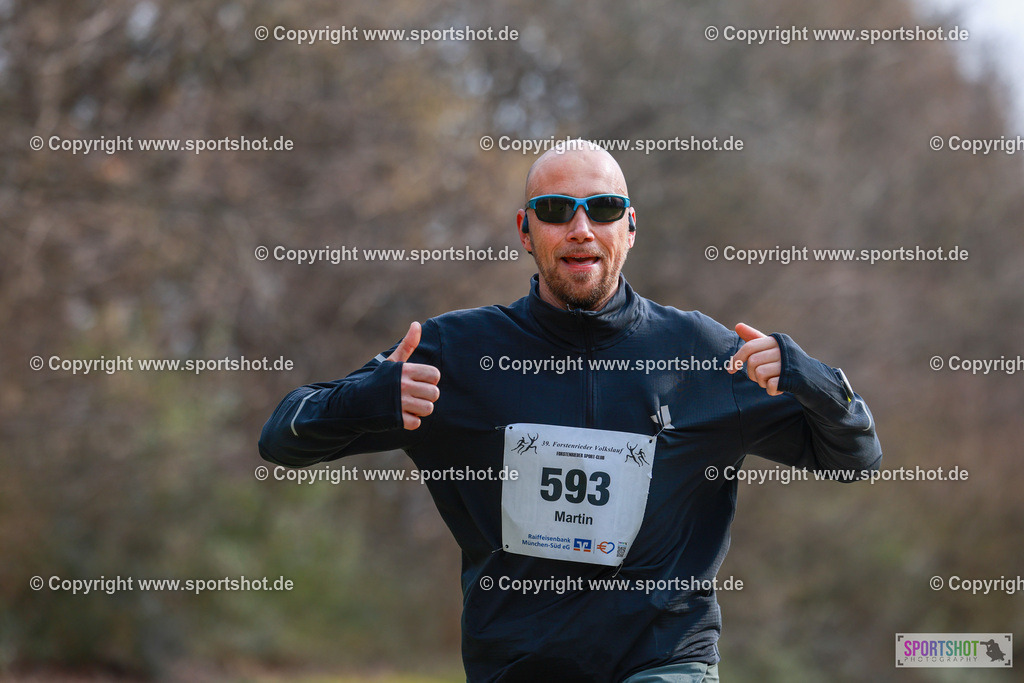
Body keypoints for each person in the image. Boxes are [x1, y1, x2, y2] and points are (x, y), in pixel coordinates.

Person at [258, 140, 882, 682]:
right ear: (526, 232)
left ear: (629, 228)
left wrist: (809, 376)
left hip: (664, 658)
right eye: (556, 212)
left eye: (603, 209)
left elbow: (855, 456)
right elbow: (282, 435)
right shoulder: (454, 353)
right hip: (519, 662)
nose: (581, 228)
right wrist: (366, 399)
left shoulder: (704, 353)